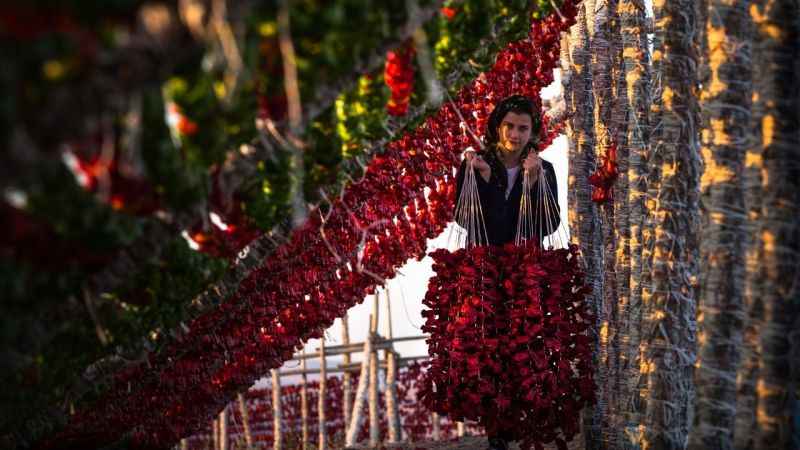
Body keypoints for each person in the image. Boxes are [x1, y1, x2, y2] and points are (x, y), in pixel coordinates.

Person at [454, 94, 560, 248]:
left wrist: (531, 184)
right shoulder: (475, 165)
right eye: (509, 126)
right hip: (481, 264)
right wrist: (487, 180)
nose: (515, 135)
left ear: (532, 133)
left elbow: (548, 226)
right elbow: (465, 219)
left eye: (523, 128)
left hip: (528, 266)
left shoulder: (543, 170)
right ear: (498, 127)